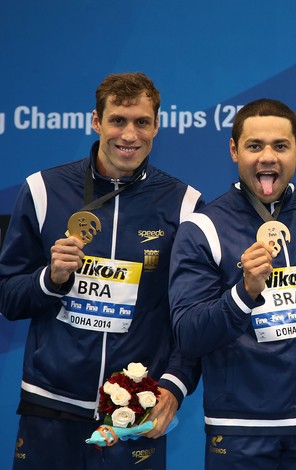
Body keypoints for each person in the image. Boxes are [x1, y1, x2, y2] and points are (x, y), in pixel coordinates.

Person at [0, 72, 202, 469]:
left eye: (142, 122)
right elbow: (8, 296)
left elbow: (192, 316)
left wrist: (174, 385)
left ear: (157, 126)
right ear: (96, 121)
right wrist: (50, 279)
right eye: (118, 120)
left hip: (132, 410)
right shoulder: (43, 190)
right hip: (50, 403)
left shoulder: (184, 204)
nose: (129, 134)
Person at [168, 98, 296, 469]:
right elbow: (189, 334)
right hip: (240, 433)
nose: (268, 157)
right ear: (234, 150)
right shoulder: (203, 228)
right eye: (254, 146)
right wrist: (244, 292)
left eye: (280, 146)